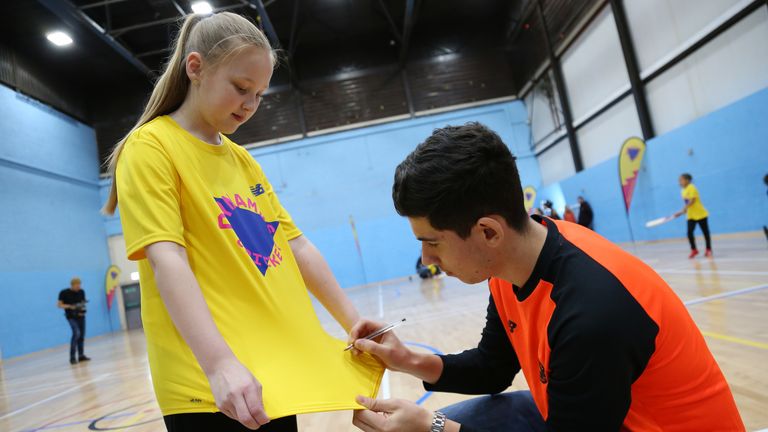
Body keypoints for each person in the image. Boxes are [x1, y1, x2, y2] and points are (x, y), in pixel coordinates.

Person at [349, 122, 744, 432]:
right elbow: (494, 367)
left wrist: (434, 428)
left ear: (488, 232)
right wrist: (406, 359)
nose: (426, 259)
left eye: (432, 242)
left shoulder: (591, 313)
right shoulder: (509, 263)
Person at [102, 12, 381, 432]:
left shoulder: (242, 160)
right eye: (241, 88)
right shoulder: (150, 148)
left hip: (271, 374)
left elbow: (295, 246)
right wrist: (219, 365)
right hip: (209, 385)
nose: (250, 104)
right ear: (195, 68)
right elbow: (167, 261)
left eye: (260, 94)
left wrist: (353, 322)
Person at [674, 173, 712, 258]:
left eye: (681, 180)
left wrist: (683, 209)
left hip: (700, 214)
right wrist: (682, 212)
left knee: (705, 232)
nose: (680, 182)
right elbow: (687, 203)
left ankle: (708, 249)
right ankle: (694, 249)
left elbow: (692, 200)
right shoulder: (683, 191)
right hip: (691, 215)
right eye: (679, 180)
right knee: (689, 233)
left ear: (687, 180)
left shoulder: (692, 187)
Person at [57, 277, 91, 365]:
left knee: (81, 336)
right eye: (77, 285)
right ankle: (72, 357)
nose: (78, 287)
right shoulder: (64, 293)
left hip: (81, 316)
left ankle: (81, 355)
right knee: (76, 333)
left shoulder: (81, 292)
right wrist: (70, 306)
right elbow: (59, 305)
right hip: (71, 317)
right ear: (72, 285)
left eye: (80, 285)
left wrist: (82, 310)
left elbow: (83, 303)